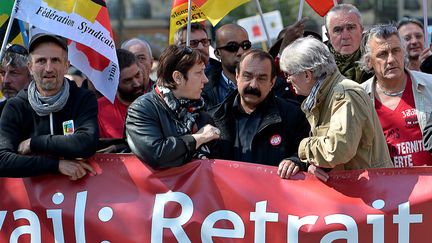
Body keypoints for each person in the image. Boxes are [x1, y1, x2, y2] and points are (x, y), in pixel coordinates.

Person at [279, 37, 393, 181]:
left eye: (288, 74)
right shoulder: (326, 95)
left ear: (307, 75)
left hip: (371, 192)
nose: (287, 80)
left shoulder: (344, 94)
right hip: (358, 190)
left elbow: (338, 150)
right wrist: (314, 164)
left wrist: (303, 147)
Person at [0, 33, 98, 179]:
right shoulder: (16, 106)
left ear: (66, 66)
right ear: (30, 67)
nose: (49, 68)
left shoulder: (83, 99)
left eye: (55, 60)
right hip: (31, 200)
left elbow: (86, 143)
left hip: (78, 196)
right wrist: (56, 165)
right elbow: (2, 161)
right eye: (41, 61)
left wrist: (34, 143)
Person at [125, 45, 220, 169]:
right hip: (157, 188)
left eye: (204, 71)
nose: (205, 79)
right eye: (198, 73)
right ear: (177, 77)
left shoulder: (200, 112)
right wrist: (198, 138)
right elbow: (157, 155)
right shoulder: (141, 109)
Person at [211, 49, 309, 169]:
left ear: (272, 82)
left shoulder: (293, 116)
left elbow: (307, 156)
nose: (253, 85)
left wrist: (296, 162)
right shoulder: (214, 119)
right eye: (247, 76)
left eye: (261, 78)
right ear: (237, 76)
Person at [359, 24, 432, 167]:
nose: (391, 59)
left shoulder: (429, 85)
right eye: (382, 54)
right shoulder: (359, 97)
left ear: (403, 53)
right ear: (369, 62)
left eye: (396, 51)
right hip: (384, 187)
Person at [98, 49, 144, 139]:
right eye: (127, 80)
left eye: (137, 75)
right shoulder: (99, 109)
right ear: (114, 83)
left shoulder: (157, 104)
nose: (136, 83)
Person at [203, 23, 251, 109]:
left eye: (245, 45)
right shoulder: (204, 91)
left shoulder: (268, 83)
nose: (241, 52)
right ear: (217, 53)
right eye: (232, 47)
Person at [325, 4, 372, 83]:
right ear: (328, 36)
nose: (345, 36)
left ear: (361, 31)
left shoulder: (376, 62)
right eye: (338, 30)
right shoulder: (318, 68)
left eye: (351, 28)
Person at [0, 44, 31, 114]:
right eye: (2, 73)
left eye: (13, 73)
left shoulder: (45, 113)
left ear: (31, 76)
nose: (5, 81)